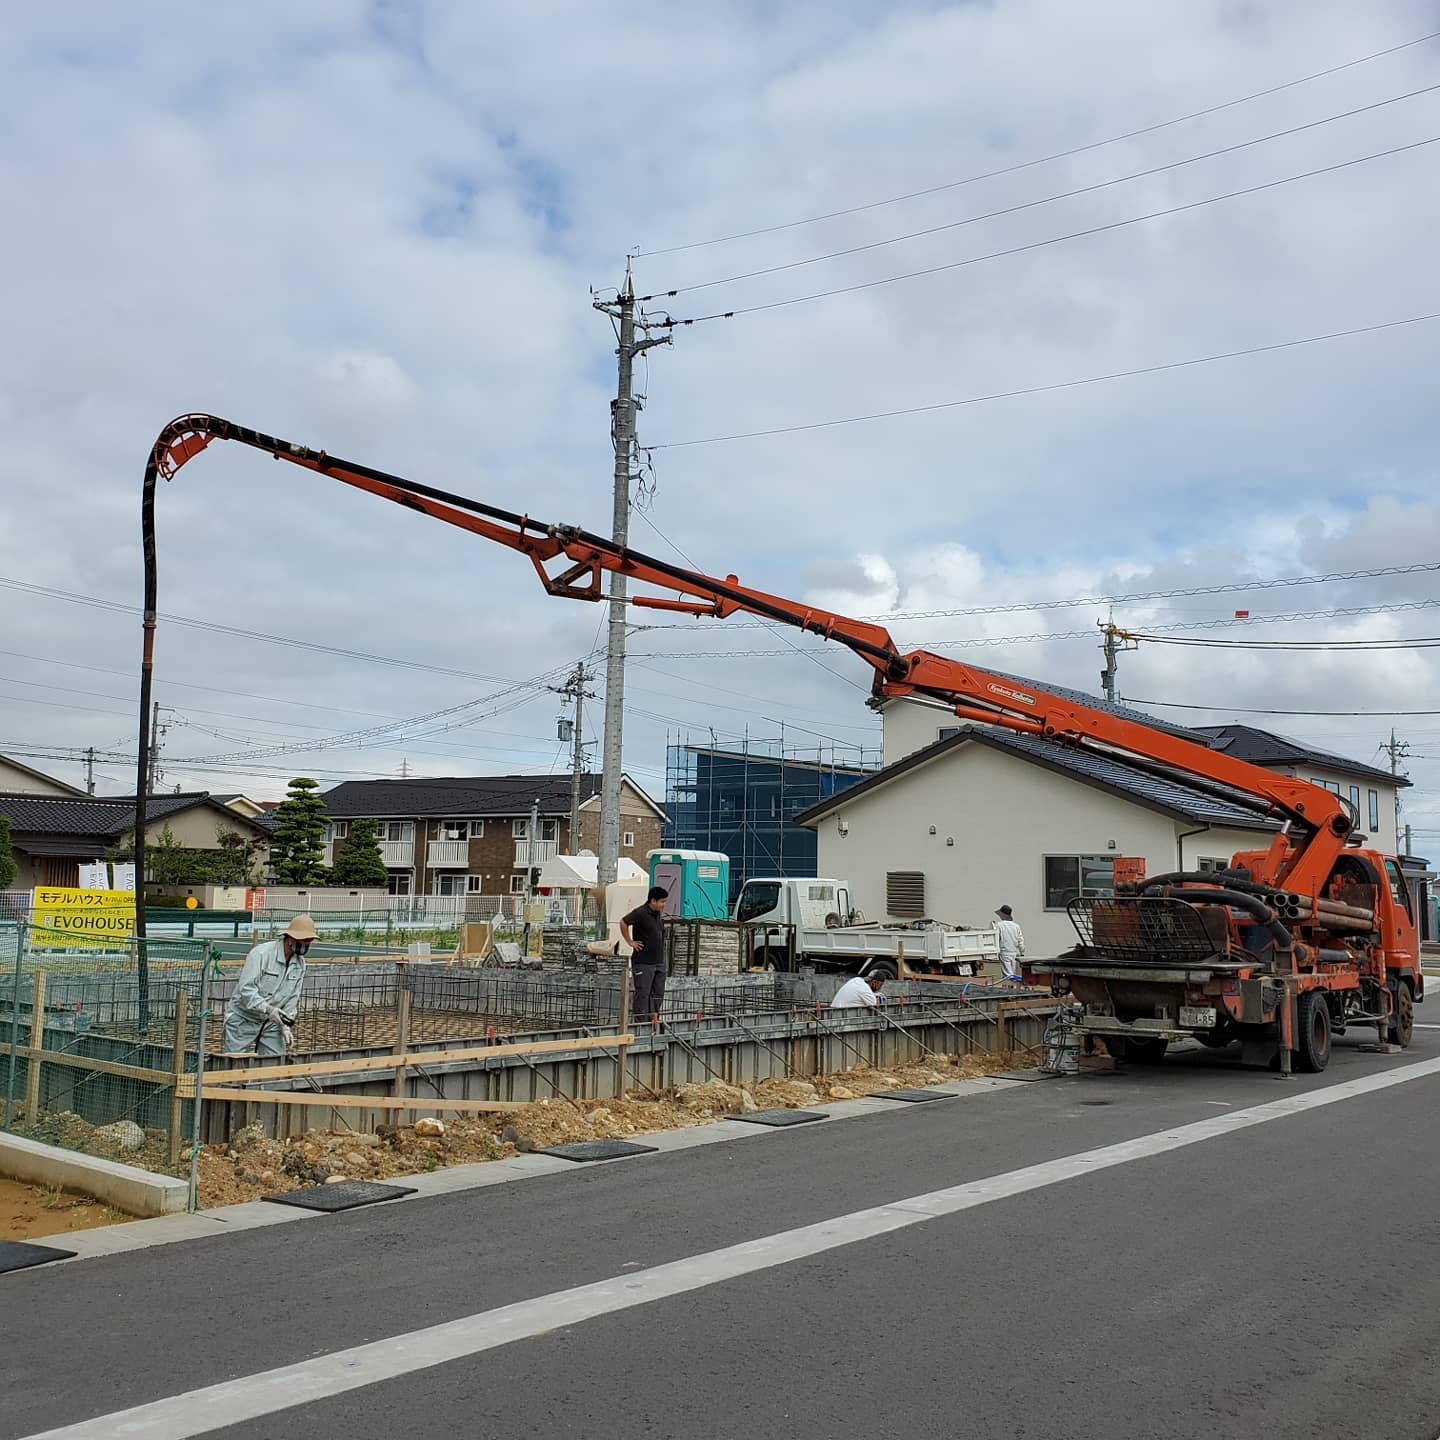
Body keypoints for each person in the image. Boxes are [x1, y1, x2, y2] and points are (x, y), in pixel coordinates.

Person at [222, 915, 316, 1055]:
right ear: (290, 938)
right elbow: (246, 989)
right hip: (243, 1018)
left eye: (308, 941)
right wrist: (267, 1009)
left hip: (272, 1023)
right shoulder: (261, 954)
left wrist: (286, 1025)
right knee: (235, 1062)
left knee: (274, 1060)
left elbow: (293, 998)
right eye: (302, 940)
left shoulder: (300, 964)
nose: (305, 945)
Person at [620, 886, 670, 1023]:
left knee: (658, 993)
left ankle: (653, 1020)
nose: (664, 904)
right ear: (653, 901)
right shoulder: (640, 912)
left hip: (658, 961)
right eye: (662, 901)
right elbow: (623, 922)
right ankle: (640, 1023)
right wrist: (630, 941)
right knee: (643, 994)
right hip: (643, 962)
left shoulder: (657, 914)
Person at [994, 904, 1026, 982]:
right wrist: (1022, 952)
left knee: (1008, 976)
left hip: (1004, 952)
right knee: (1011, 973)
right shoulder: (1016, 926)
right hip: (1014, 953)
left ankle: (1010, 987)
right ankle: (1011, 987)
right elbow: (1020, 940)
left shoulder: (998, 925)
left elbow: (996, 939)